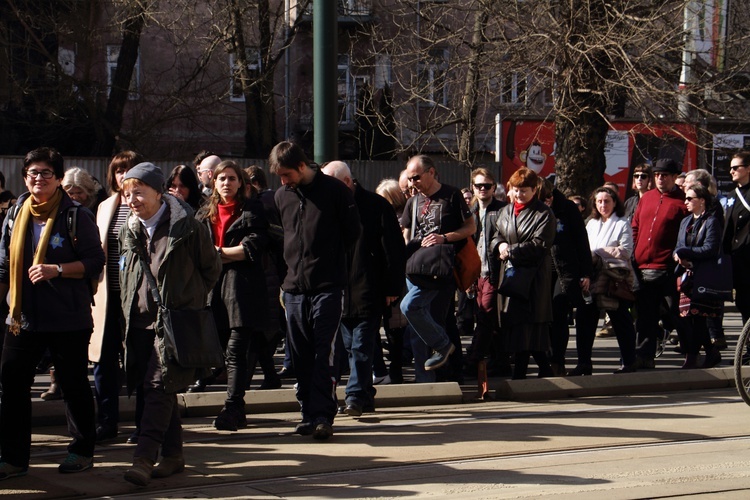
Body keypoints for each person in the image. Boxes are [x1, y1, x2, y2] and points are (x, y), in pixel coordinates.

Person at [0, 147, 105, 480]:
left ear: (59, 178)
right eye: (32, 173)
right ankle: (14, 457)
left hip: (67, 317)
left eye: (46, 173)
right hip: (23, 318)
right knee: (13, 384)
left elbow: (95, 262)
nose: (38, 179)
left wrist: (56, 269)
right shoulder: (16, 212)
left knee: (73, 385)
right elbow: (4, 263)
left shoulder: (76, 214)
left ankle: (81, 450)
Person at [119, 162, 221, 485]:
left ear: (158, 191)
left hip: (174, 323)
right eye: (127, 193)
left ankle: (144, 458)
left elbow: (211, 269)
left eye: (139, 191)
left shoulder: (187, 226)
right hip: (138, 324)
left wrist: (188, 300)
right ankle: (174, 455)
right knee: (163, 388)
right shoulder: (130, 228)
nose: (132, 199)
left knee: (157, 386)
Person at [270, 141, 361, 440]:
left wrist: (331, 262)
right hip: (294, 288)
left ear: (300, 166)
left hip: (327, 286)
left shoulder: (335, 192)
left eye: (286, 174)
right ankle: (308, 412)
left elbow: (352, 233)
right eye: (279, 177)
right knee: (299, 354)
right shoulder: (282, 196)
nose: (283, 181)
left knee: (325, 351)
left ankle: (323, 413)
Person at [321, 162, 405, 416]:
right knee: (351, 347)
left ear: (346, 181)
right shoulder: (328, 207)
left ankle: (355, 395)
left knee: (361, 345)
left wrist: (392, 286)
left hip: (369, 286)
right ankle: (366, 396)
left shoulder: (377, 206)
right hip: (340, 289)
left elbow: (393, 250)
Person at [196, 161, 269, 431]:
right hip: (212, 289)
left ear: (241, 183)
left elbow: (252, 248)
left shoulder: (252, 210)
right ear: (213, 183)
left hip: (242, 288)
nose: (226, 183)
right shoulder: (205, 213)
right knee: (223, 349)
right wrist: (224, 254)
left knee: (236, 350)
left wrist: (217, 254)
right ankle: (236, 407)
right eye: (221, 178)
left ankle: (232, 406)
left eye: (231, 178)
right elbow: (196, 248)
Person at [400, 155, 474, 373]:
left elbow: (470, 228)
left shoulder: (451, 195)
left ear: (431, 172)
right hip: (416, 268)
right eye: (410, 179)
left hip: (441, 269)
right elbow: (406, 234)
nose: (412, 183)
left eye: (416, 177)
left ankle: (444, 353)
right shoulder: (413, 202)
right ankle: (436, 369)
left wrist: (445, 237)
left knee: (416, 308)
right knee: (421, 317)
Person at [89, 150, 144, 444]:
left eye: (130, 169)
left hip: (137, 299)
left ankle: (142, 425)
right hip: (108, 297)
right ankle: (107, 421)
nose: (124, 175)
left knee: (139, 362)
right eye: (119, 170)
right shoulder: (105, 206)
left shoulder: (149, 205)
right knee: (104, 362)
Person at [490, 167, 556, 379]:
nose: (519, 194)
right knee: (517, 326)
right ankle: (543, 370)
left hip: (533, 278)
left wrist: (511, 250)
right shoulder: (505, 212)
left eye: (524, 190)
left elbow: (540, 245)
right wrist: (499, 245)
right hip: (509, 275)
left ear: (534, 189)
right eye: (516, 190)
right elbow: (496, 235)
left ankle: (520, 375)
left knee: (528, 326)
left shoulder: (543, 213)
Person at [573, 187, 637, 374]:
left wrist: (598, 253)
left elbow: (625, 251)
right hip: (591, 276)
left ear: (615, 202)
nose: (603, 205)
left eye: (607, 201)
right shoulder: (591, 223)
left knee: (620, 319)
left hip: (612, 277)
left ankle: (629, 361)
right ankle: (584, 362)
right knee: (585, 319)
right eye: (599, 201)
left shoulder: (622, 223)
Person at [631, 158, 688, 369]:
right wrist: (633, 254)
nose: (660, 178)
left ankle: (691, 352)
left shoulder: (682, 202)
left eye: (665, 175)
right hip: (642, 267)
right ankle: (644, 357)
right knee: (645, 316)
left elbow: (686, 234)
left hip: (667, 268)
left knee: (677, 313)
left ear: (674, 177)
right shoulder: (647, 198)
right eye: (657, 175)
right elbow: (635, 226)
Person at [538, 178, 593, 377]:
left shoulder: (567, 208)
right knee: (545, 319)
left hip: (564, 271)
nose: (547, 201)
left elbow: (581, 241)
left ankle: (557, 361)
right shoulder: (533, 209)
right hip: (542, 272)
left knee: (559, 313)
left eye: (549, 197)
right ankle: (548, 358)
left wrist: (586, 272)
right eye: (542, 199)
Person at [674, 184, 723, 369]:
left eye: (690, 198)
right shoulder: (685, 222)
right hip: (686, 276)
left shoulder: (711, 221)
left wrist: (687, 253)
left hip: (704, 276)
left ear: (702, 201)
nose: (686, 202)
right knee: (686, 317)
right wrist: (678, 256)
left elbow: (710, 248)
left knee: (699, 317)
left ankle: (692, 356)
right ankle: (710, 351)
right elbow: (678, 245)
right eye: (685, 198)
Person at [464, 168, 507, 377]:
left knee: (486, 313)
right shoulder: (469, 212)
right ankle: (500, 360)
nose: (483, 189)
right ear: (473, 187)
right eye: (479, 185)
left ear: (494, 187)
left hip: (493, 271)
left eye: (487, 186)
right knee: (486, 318)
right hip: (475, 272)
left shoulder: (501, 210)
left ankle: (473, 359)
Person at [375, 178, 410, 384]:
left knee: (394, 328)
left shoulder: (398, 220)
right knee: (393, 328)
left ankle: (395, 370)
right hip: (390, 280)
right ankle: (392, 370)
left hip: (395, 281)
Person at [723, 151, 750, 326]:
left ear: (748, 169)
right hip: (737, 258)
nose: (731, 171)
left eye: (736, 167)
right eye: (730, 168)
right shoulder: (732, 196)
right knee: (743, 302)